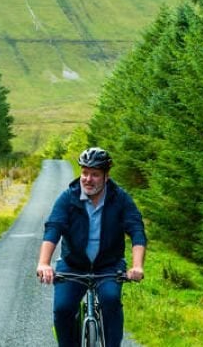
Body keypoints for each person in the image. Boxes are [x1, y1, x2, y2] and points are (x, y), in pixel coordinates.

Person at [37, 147, 146, 347]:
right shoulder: (68, 198)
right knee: (62, 309)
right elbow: (54, 228)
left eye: (95, 174)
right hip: (73, 266)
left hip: (109, 266)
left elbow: (136, 230)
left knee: (111, 300)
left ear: (106, 176)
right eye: (85, 173)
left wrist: (137, 266)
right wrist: (44, 263)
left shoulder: (120, 199)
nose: (88, 179)